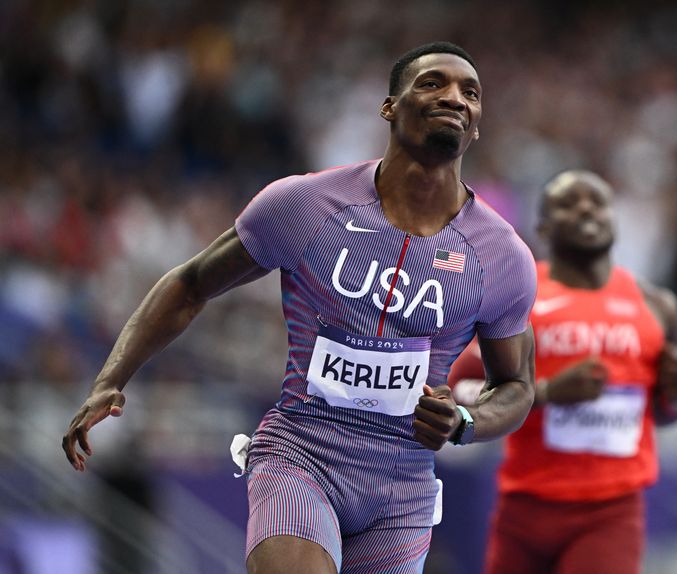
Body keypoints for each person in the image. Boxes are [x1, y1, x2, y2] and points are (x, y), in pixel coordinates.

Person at [62, 42, 538, 574]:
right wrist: (110, 378)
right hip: (302, 455)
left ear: (475, 126)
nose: (453, 97)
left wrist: (465, 420)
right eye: (432, 83)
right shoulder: (305, 205)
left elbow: (516, 385)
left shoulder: (501, 256)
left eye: (469, 93)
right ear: (389, 106)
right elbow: (191, 284)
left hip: (401, 495)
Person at [448, 170, 677, 574]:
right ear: (543, 226)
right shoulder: (518, 299)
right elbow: (459, 390)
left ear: (614, 219)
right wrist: (542, 393)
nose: (585, 209)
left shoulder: (658, 306)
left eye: (597, 202)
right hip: (524, 507)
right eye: (568, 203)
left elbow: (666, 413)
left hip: (610, 511)